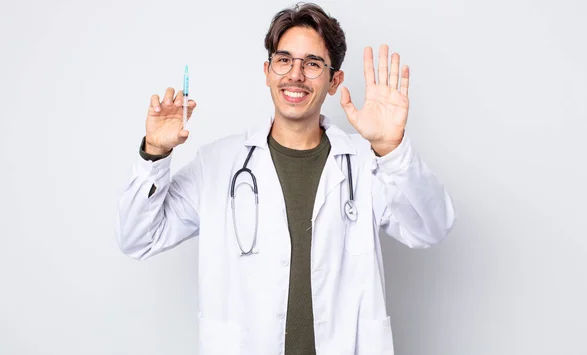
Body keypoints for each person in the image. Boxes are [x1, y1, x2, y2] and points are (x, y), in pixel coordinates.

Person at [116, 2, 456, 354]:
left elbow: (431, 228)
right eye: (284, 60)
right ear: (267, 71)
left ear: (334, 80)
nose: (296, 74)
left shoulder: (365, 163)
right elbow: (138, 238)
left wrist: (392, 149)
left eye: (312, 63)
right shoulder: (218, 164)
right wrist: (154, 153)